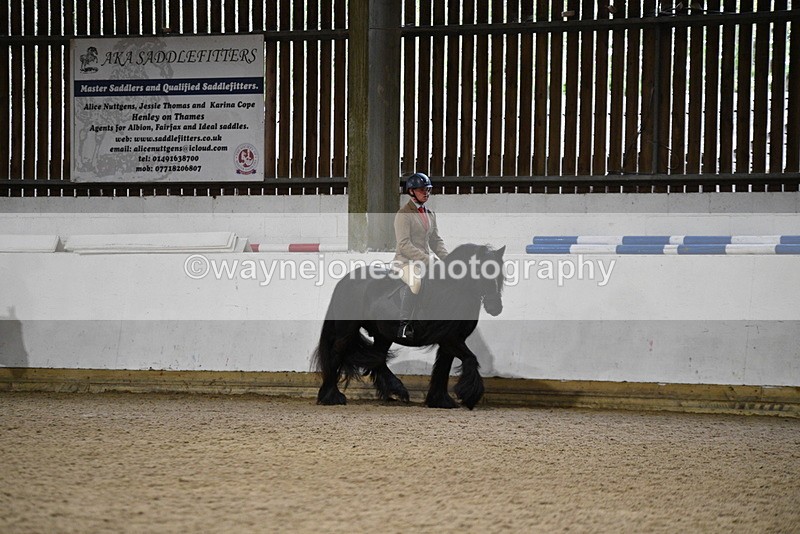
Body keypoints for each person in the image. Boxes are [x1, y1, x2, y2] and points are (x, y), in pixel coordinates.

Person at [392, 172, 449, 340]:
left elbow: (436, 240)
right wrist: (428, 260)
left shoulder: (430, 213)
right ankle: (404, 325)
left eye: (428, 190)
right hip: (405, 263)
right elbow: (404, 244)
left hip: (426, 262)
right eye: (422, 190)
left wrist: (448, 260)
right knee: (415, 283)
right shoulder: (403, 215)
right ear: (411, 192)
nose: (426, 193)